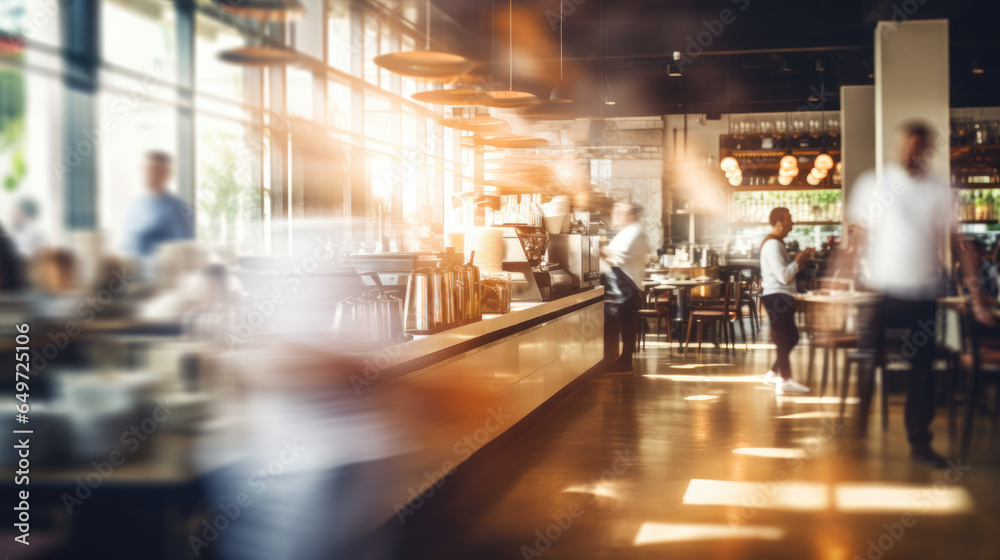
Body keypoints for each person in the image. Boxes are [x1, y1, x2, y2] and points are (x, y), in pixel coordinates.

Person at [847, 121, 984, 469]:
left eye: (919, 148)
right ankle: (856, 436)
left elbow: (960, 246)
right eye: (906, 146)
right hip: (882, 294)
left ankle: (920, 444)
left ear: (927, 150)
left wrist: (977, 296)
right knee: (867, 365)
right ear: (898, 147)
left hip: (924, 293)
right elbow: (854, 243)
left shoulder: (940, 190)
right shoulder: (874, 185)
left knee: (921, 371)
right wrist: (837, 281)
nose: (912, 154)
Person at [760, 207, 814, 394]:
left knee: (789, 337)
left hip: (781, 296)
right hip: (777, 295)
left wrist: (797, 259)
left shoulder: (777, 243)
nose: (793, 222)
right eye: (789, 219)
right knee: (786, 338)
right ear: (779, 222)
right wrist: (798, 260)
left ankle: (775, 374)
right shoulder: (773, 245)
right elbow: (783, 277)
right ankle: (784, 380)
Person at [600, 203, 650, 372]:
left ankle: (626, 360)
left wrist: (596, 248)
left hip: (627, 284)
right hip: (622, 283)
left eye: (619, 213)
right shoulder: (628, 230)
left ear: (630, 215)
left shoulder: (634, 231)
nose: (616, 216)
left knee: (625, 321)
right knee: (621, 321)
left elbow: (616, 254)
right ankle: (620, 358)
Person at [122, 151, 195, 258]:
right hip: (131, 270)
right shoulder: (135, 205)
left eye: (155, 171)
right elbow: (127, 244)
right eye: (147, 170)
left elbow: (185, 250)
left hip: (163, 272)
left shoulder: (178, 208)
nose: (149, 175)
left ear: (166, 174)